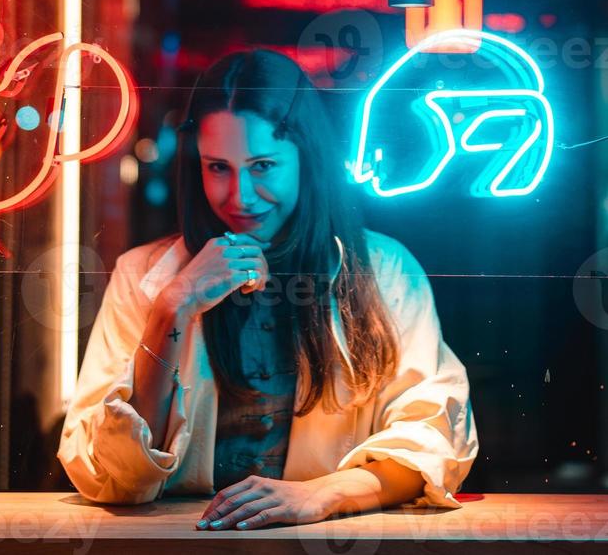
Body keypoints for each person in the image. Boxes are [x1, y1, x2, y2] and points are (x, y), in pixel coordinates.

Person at [57, 49, 479, 529]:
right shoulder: (144, 275)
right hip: (177, 543)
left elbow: (432, 441)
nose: (240, 196)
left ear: (306, 158)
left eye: (262, 166)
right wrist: (171, 309)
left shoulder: (383, 271)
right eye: (218, 167)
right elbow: (110, 477)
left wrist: (321, 496)